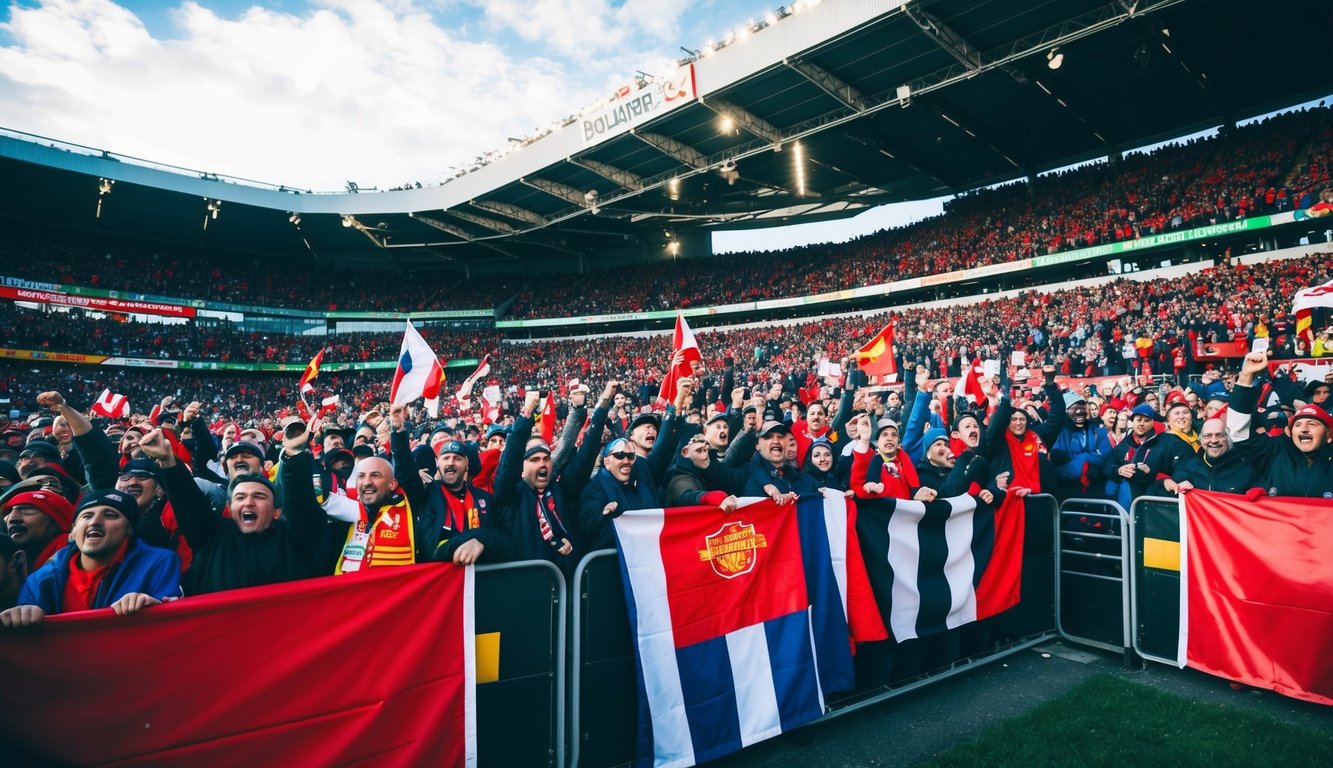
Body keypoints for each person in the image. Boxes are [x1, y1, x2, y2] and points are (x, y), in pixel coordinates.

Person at [144, 420, 326, 595]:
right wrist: (168, 460)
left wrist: (294, 456)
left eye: (259, 496)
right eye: (240, 497)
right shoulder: (212, 536)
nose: (248, 502)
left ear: (276, 511)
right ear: (230, 508)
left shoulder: (293, 540)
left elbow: (302, 508)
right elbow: (189, 502)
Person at [0, 489, 180, 627]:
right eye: (86, 515)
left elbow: (172, 623)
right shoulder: (41, 578)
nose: (95, 522)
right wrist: (23, 614)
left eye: (110, 515)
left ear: (129, 529)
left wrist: (151, 607)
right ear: (73, 530)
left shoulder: (159, 562)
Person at [388, 405, 500, 568]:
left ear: (466, 464)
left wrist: (483, 541)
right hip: (439, 585)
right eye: (446, 458)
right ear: (437, 463)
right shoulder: (426, 493)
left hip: (478, 584)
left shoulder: (483, 498)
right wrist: (398, 430)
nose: (451, 463)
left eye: (457, 458)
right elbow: (405, 470)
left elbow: (499, 538)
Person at [1227, 351, 1333, 497]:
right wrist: (1246, 376)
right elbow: (1238, 432)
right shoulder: (1275, 454)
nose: (1304, 429)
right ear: (1289, 432)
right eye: (1297, 425)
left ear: (1329, 436)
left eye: (1312, 424)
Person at [1167, 418, 1256, 494]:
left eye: (1220, 435)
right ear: (1200, 440)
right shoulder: (1189, 467)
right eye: (1208, 436)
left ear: (1228, 438)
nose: (1214, 440)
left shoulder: (1246, 469)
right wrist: (1170, 484)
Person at [2, 488, 74, 572]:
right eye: (9, 513)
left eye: (26, 509)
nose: (12, 519)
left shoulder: (78, 554)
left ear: (55, 520)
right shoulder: (10, 565)